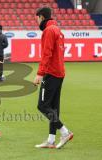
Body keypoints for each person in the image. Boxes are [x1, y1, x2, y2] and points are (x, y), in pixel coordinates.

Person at [33, 7, 73, 149]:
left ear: (42, 17)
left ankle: (65, 132)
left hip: (51, 73)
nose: (36, 21)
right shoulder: (57, 30)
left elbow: (47, 54)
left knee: (42, 106)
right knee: (53, 108)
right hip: (59, 72)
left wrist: (40, 73)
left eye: (36, 18)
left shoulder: (48, 31)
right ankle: (51, 140)